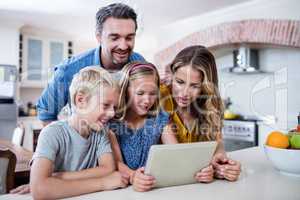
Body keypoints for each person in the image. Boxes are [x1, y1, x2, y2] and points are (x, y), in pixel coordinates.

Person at [108, 61, 213, 192]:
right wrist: (133, 176)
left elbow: (177, 153)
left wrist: (201, 170)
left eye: (152, 93)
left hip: (155, 189)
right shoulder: (113, 122)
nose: (147, 100)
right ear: (125, 91)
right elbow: (116, 163)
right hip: (124, 191)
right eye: (140, 93)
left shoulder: (159, 118)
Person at [36, 3, 145, 127]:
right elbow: (46, 115)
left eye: (129, 38)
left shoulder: (140, 65)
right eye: (115, 38)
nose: (123, 46)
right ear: (99, 37)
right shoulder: (69, 70)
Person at [29, 66, 129, 199]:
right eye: (105, 105)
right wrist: (102, 182)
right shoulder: (52, 133)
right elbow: (39, 189)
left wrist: (59, 177)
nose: (112, 113)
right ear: (80, 100)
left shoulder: (100, 132)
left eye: (114, 107)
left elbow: (108, 169)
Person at [160, 45, 241, 182]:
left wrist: (221, 163)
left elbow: (217, 143)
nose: (184, 93)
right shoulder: (159, 97)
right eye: (179, 82)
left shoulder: (210, 106)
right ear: (172, 76)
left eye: (194, 86)